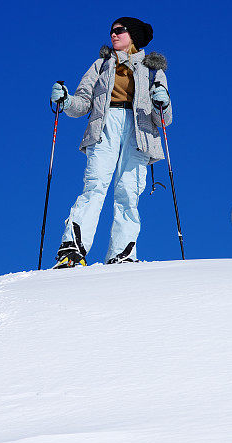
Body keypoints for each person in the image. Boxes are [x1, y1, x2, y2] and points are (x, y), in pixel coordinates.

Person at [50, 17, 172, 268]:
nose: (113, 34)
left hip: (140, 129)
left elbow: (164, 119)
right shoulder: (101, 65)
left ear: (133, 35)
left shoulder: (152, 70)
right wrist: (66, 100)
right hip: (105, 125)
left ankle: (122, 252)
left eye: (119, 30)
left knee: (129, 191)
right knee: (95, 184)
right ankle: (72, 249)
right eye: (112, 31)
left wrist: (163, 102)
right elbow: (83, 103)